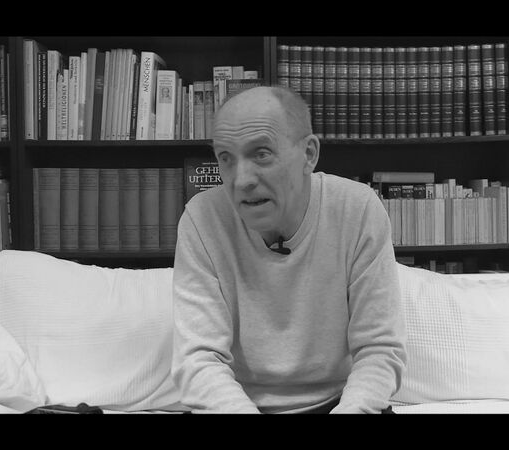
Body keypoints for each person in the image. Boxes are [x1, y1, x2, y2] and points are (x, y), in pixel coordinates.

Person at [171, 85, 406, 414]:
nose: (241, 180)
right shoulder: (202, 219)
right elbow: (198, 360)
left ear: (309, 154)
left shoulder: (358, 209)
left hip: (341, 403)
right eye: (226, 158)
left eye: (261, 154)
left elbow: (379, 350)